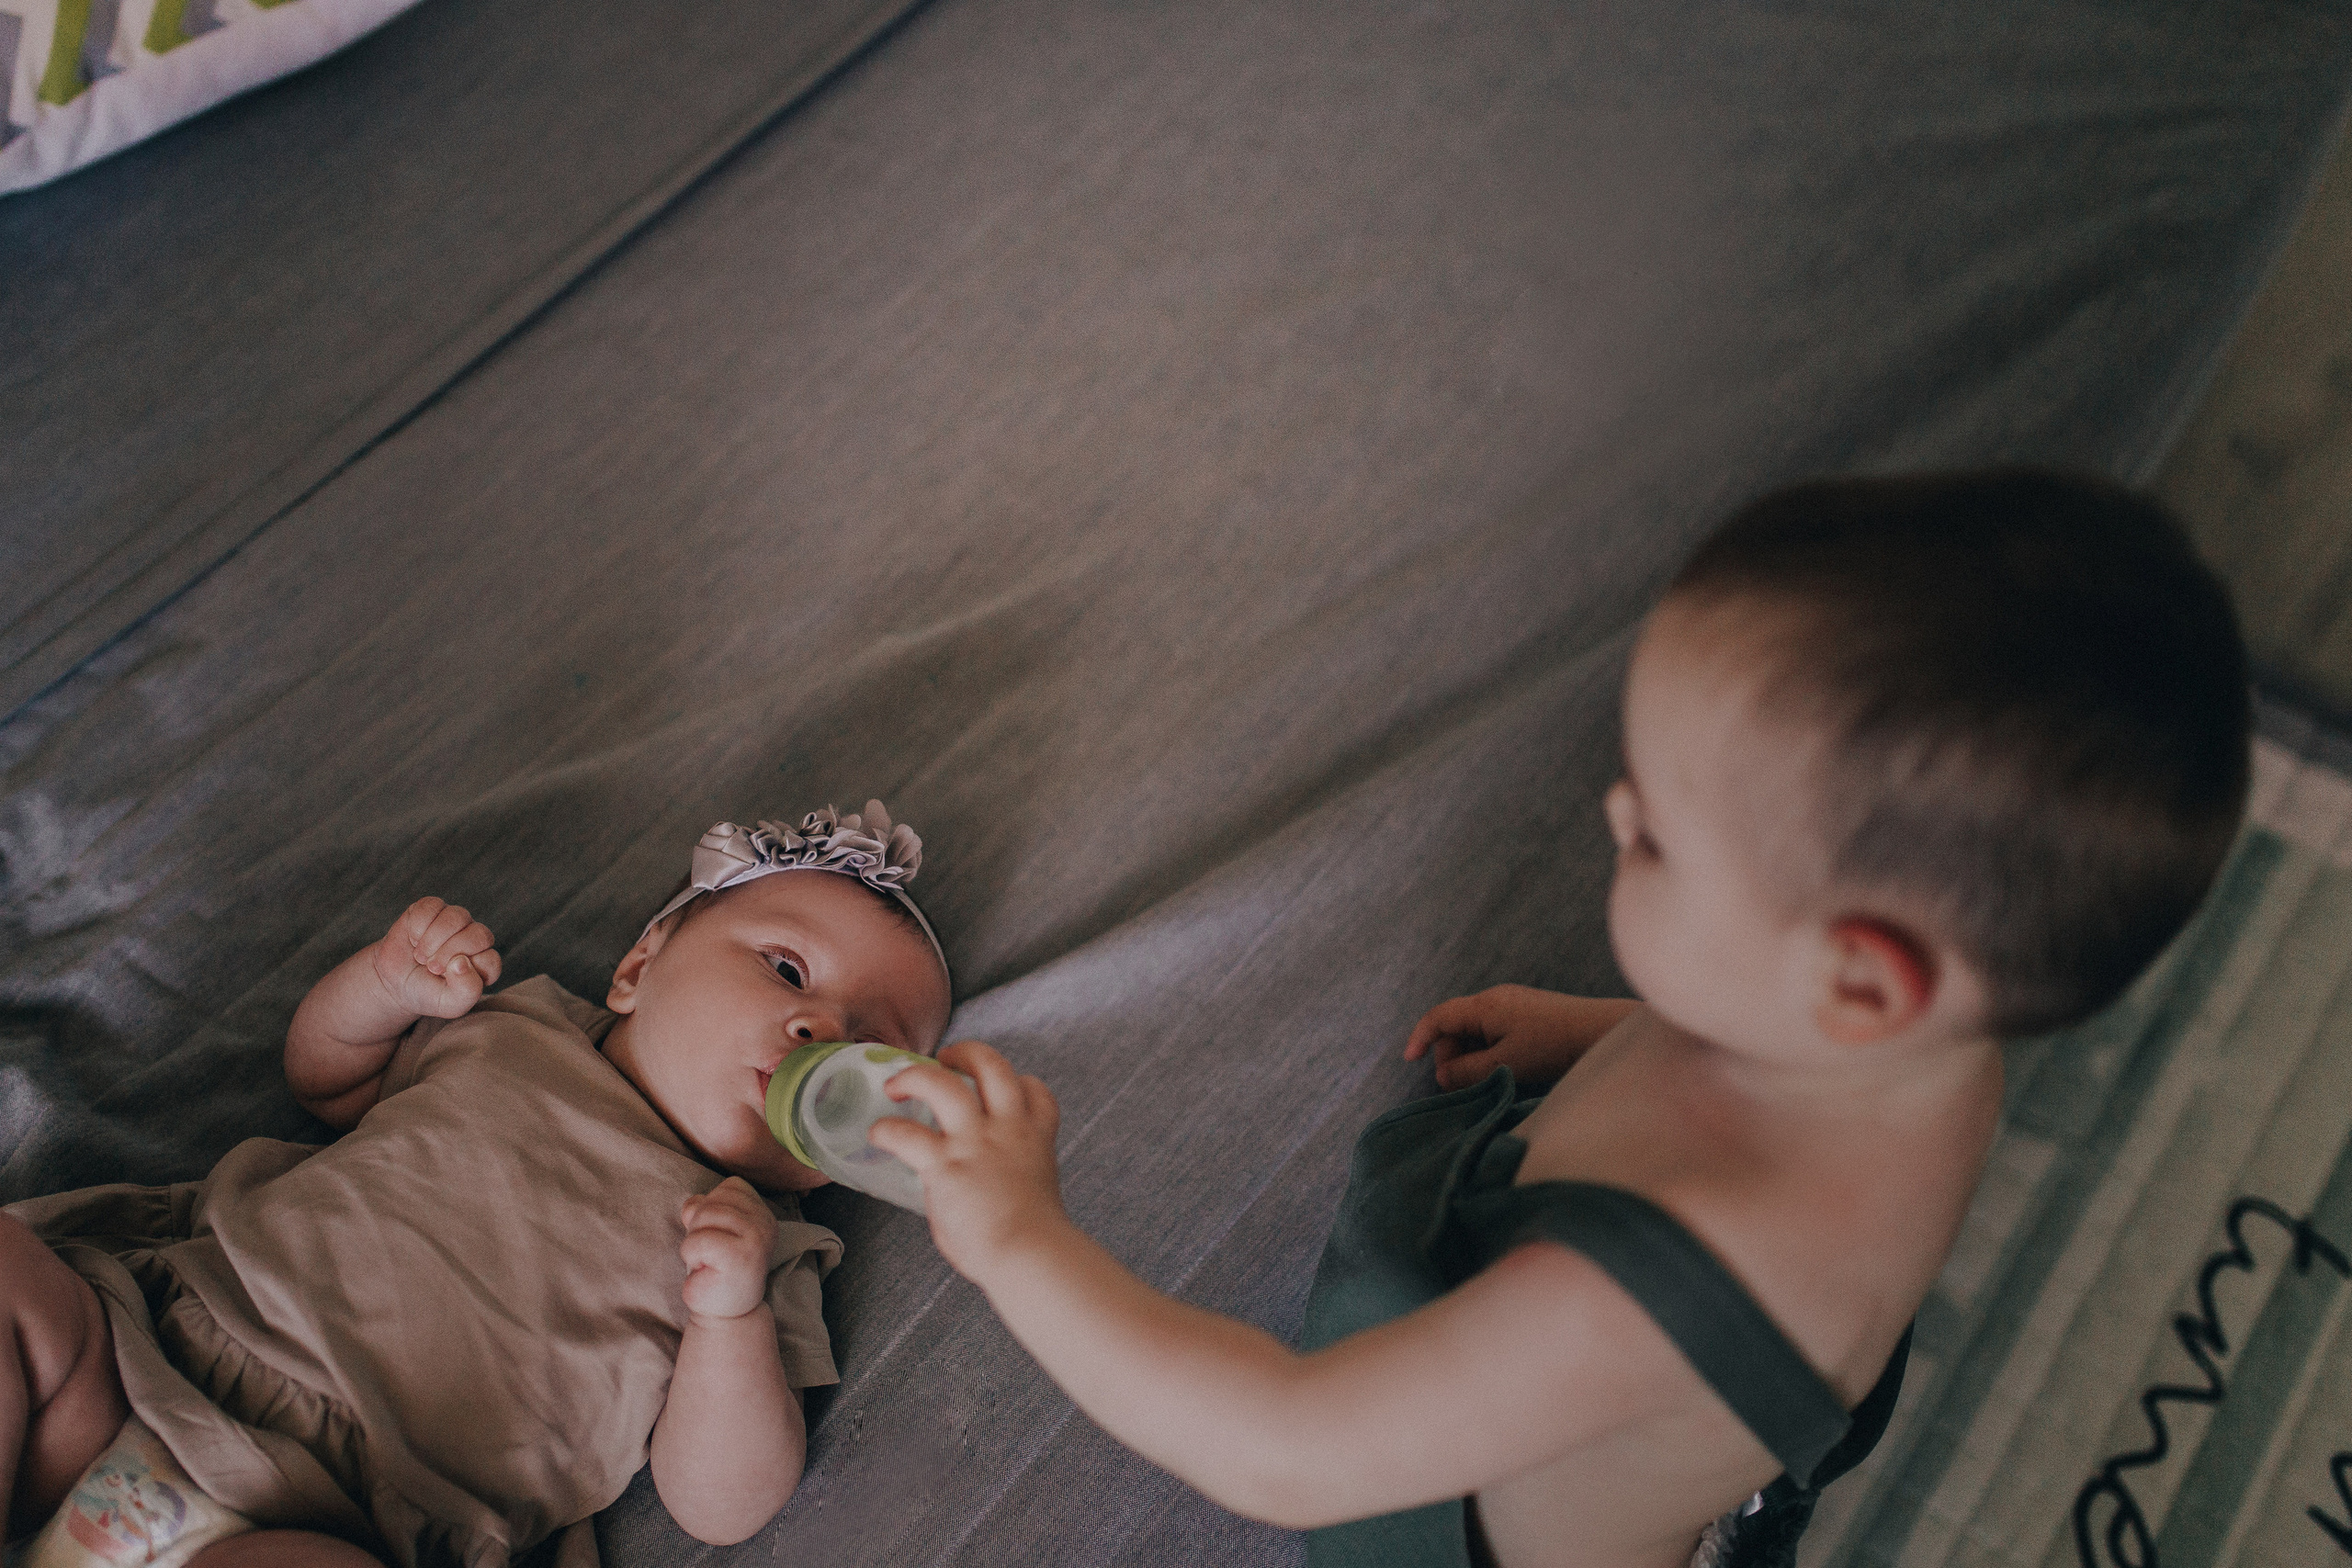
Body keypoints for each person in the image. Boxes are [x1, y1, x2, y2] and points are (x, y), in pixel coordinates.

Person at [872, 472, 2252, 1568]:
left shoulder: (1618, 1302)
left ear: (1858, 979)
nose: (1611, 814)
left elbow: (1281, 1444)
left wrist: (1022, 1236)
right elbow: (1736, 1046)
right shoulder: (1926, 1044)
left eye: (1656, 837)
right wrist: (1592, 1032)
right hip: (1724, 1436)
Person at [2, 804, 953, 1568]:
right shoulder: (516, 1029)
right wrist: (386, 988)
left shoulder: (763, 1248)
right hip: (154, 1352)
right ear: (639, 966)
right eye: (786, 970)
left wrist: (730, 1317)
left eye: (870, 1051)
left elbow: (721, 1505)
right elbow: (328, 1079)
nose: (819, 1030)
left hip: (338, 1513)